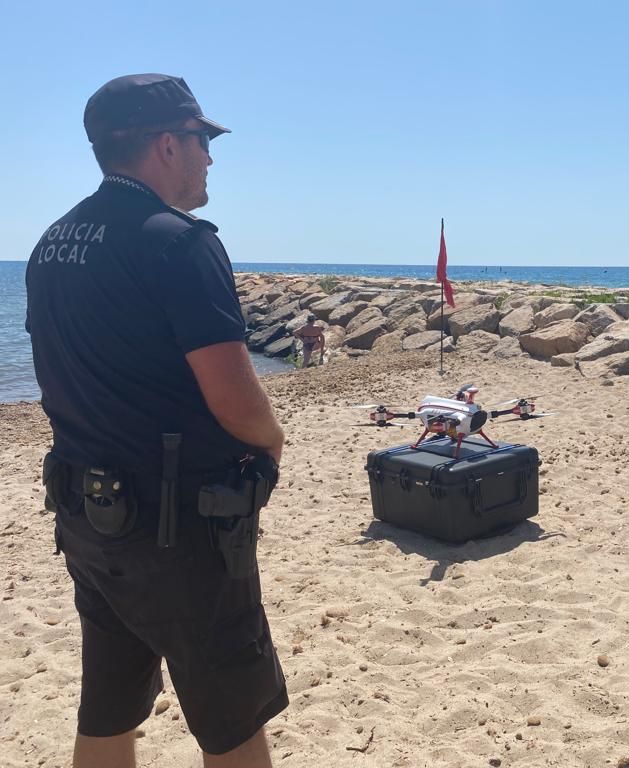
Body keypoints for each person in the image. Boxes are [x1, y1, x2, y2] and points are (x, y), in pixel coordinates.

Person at [25, 74, 287, 766]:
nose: (211, 158)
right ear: (168, 144)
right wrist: (273, 441)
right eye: (203, 141)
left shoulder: (50, 244)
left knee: (108, 708)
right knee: (232, 721)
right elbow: (234, 396)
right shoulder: (180, 242)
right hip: (182, 529)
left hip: (89, 514)